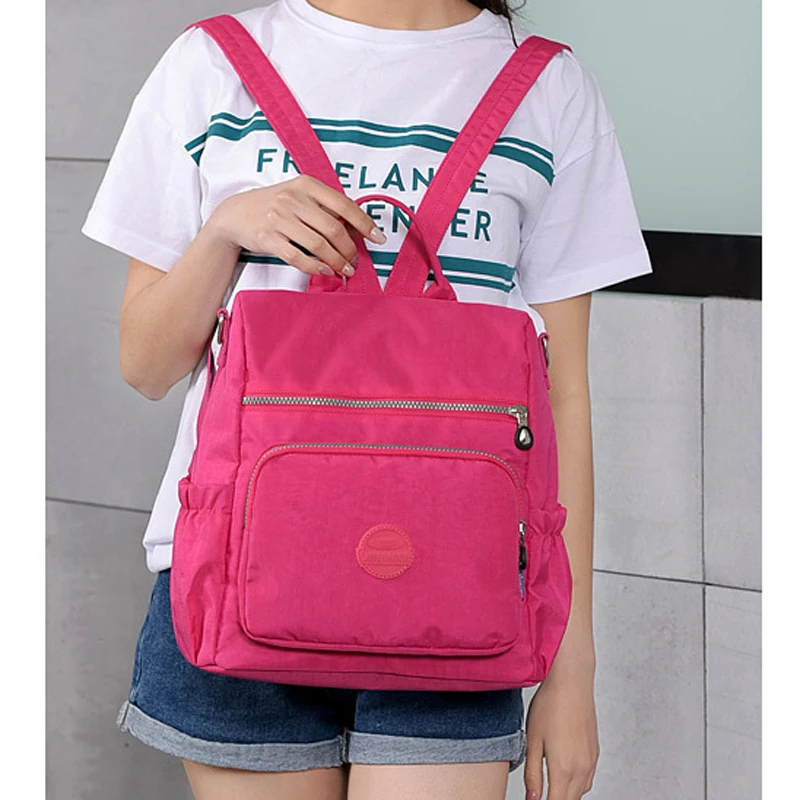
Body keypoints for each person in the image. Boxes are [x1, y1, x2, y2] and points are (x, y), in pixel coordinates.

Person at [82, 0, 652, 798]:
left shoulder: (548, 87)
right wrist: (223, 233)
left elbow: (561, 401)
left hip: (459, 587)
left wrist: (570, 667)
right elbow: (145, 364)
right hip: (238, 573)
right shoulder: (212, 63)